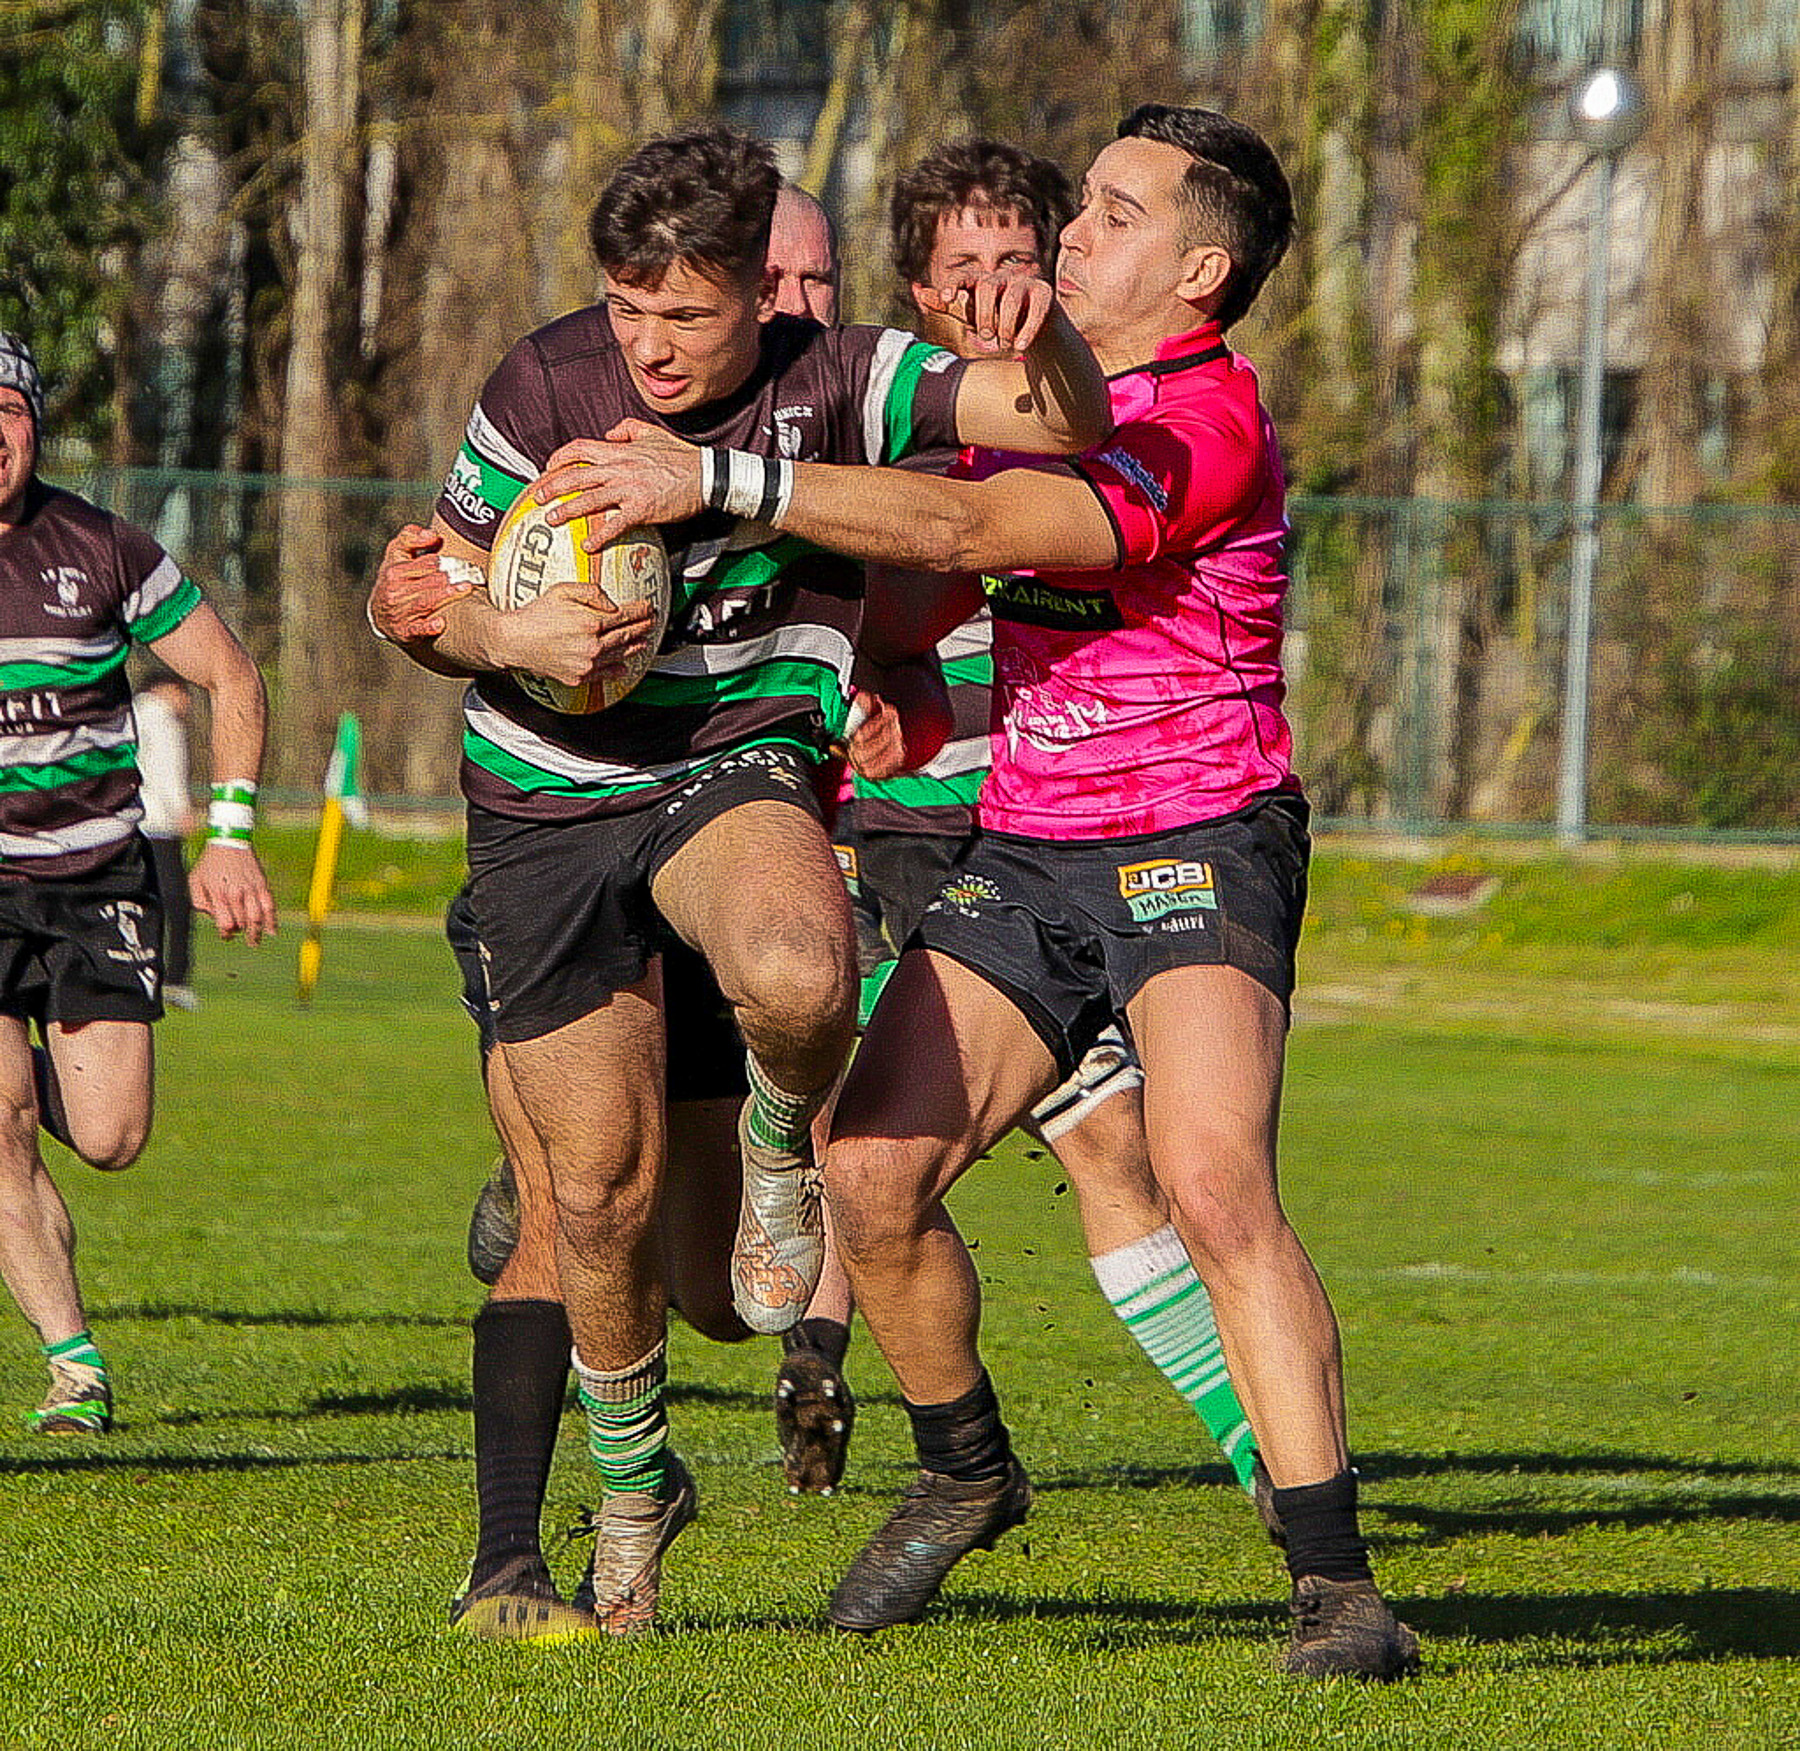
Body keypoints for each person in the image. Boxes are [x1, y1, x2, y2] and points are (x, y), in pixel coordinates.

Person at [528, 106, 1420, 1679]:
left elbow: (973, 524)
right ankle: (965, 1464)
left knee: (1211, 1180)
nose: (1073, 234)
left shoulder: (1201, 417)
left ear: (1201, 269)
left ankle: (1336, 1580)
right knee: (869, 1169)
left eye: (1117, 215)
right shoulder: (1030, 401)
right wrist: (861, 686)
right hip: (1027, 845)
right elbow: (932, 583)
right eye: (1083, 204)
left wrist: (721, 481)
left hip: (1198, 831)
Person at [369, 125, 1109, 1635]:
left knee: (797, 965)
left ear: (755, 298)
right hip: (544, 806)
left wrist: (1061, 343)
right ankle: (632, 1500)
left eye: (687, 315)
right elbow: (424, 592)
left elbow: (1057, 426)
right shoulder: (541, 382)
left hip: (732, 758)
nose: (647, 346)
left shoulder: (840, 372)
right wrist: (511, 640)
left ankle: (785, 1137)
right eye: (628, 309)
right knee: (593, 1197)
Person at [779, 139, 1271, 1516]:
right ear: (921, 300)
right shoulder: (892, 431)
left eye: (1023, 254)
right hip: (911, 852)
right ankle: (844, 1368)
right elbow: (890, 631)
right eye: (969, 270)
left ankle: (1254, 1454)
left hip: (1024, 836)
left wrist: (907, 710)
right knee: (860, 1135)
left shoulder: (1075, 423)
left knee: (1103, 1149)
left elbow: (928, 647)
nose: (1006, 284)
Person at [0, 330, 276, 1435]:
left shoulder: (102, 546)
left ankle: (26, 1071)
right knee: (0, 1123)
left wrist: (232, 832)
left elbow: (232, 673)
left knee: (112, 1134)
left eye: (5, 413)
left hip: (93, 872)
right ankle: (75, 1365)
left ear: (31, 422)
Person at [132, 668, 199, 1010]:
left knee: (139, 901)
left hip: (132, 823)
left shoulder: (131, 713)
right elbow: (166, 770)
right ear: (172, 689)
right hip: (160, 824)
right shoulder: (162, 720)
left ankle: (140, 970)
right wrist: (183, 809)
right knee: (176, 903)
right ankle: (175, 977)